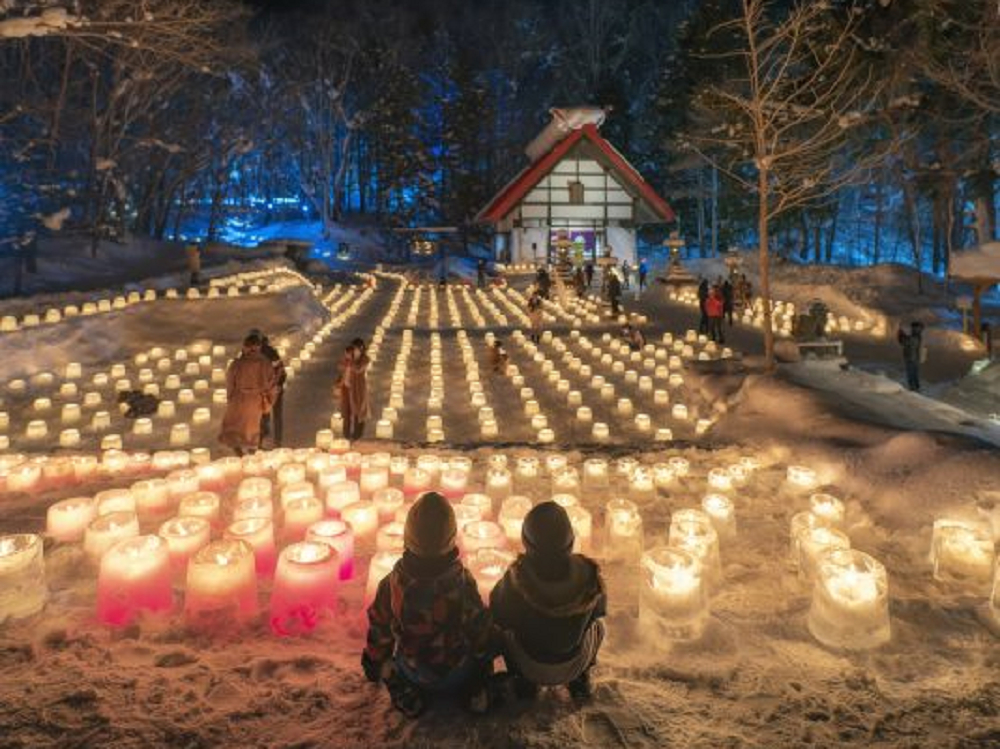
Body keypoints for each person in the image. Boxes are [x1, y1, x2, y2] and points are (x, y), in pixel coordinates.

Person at [362, 492, 493, 718]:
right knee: (475, 659)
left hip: (414, 671)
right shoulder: (462, 582)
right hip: (458, 671)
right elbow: (479, 627)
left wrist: (373, 663)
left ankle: (405, 693)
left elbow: (380, 630)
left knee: (388, 667)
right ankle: (473, 692)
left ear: (407, 537)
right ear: (452, 539)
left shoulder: (391, 585)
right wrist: (483, 663)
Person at [491, 502, 606, 702]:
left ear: (525, 542)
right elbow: (599, 611)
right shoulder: (588, 576)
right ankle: (580, 679)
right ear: (571, 542)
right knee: (599, 627)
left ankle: (523, 682)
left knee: (501, 633)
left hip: (529, 665)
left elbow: (499, 613)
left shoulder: (517, 579)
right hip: (574, 663)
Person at [219, 333, 277, 457]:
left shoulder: (237, 363)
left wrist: (231, 398)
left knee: (234, 426)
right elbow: (271, 384)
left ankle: (239, 452)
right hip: (256, 400)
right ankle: (251, 452)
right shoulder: (265, 363)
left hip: (238, 399)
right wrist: (269, 401)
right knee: (252, 428)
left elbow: (230, 382)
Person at [256, 332, 287, 448]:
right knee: (273, 416)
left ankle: (263, 442)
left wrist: (277, 385)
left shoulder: (268, 354)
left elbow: (280, 371)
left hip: (271, 390)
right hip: (272, 389)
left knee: (264, 416)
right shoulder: (270, 352)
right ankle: (275, 442)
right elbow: (282, 371)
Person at [337, 338, 370, 441]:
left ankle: (357, 436)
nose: (353, 351)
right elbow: (340, 367)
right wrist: (346, 359)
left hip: (357, 389)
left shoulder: (364, 359)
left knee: (358, 412)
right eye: (353, 349)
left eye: (355, 349)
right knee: (346, 413)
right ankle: (346, 436)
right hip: (346, 389)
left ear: (361, 349)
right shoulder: (348, 359)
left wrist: (351, 360)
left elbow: (358, 369)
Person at [898, 321, 925, 391]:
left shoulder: (915, 337)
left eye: (914, 327)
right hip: (915, 358)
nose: (912, 328)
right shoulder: (917, 336)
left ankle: (913, 388)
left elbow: (905, 342)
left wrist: (901, 335)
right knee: (914, 373)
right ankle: (916, 387)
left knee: (911, 374)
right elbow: (907, 341)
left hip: (911, 358)